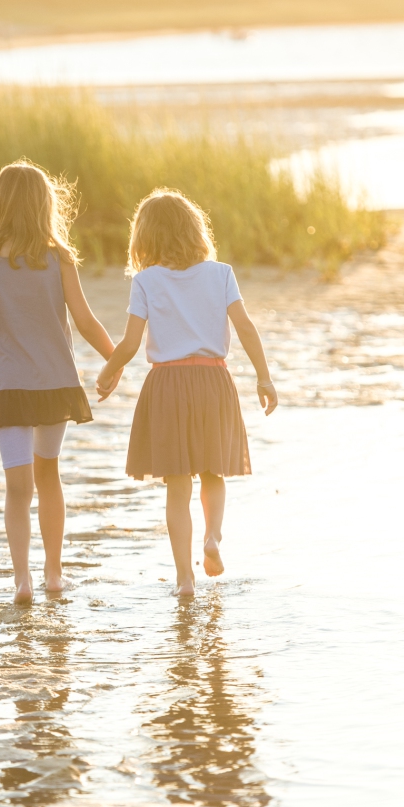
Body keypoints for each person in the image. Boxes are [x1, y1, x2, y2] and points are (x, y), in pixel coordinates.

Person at [0, 160, 119, 605]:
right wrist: (116, 360)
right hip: (55, 385)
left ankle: (22, 580)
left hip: (8, 389)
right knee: (49, 476)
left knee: (17, 487)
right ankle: (54, 573)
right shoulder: (59, 260)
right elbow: (84, 319)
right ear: (45, 206)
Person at [96, 189, 278, 597]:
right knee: (213, 470)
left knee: (177, 486)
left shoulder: (146, 281)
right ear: (195, 230)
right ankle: (212, 537)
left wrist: (109, 372)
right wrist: (264, 377)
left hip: (168, 384)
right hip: (214, 381)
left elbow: (128, 343)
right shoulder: (221, 273)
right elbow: (246, 328)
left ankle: (184, 579)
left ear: (144, 238)